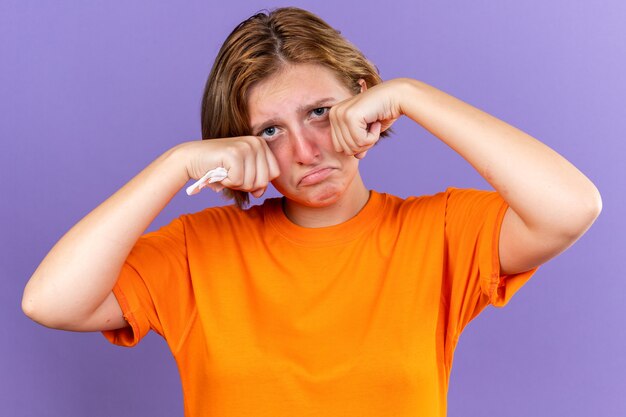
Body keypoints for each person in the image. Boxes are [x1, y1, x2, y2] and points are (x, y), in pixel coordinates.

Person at [22, 7, 601, 417]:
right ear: (238, 144)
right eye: (270, 130)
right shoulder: (199, 249)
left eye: (321, 111)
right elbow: (49, 302)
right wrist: (173, 165)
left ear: (363, 95)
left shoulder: (440, 233)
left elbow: (571, 207)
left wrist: (414, 96)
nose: (305, 150)